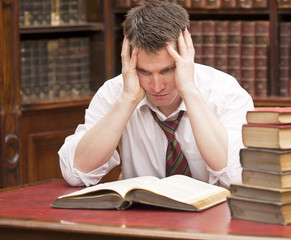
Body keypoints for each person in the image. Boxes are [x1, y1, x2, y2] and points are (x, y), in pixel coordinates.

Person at [58, 0, 254, 189]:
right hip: (142, 216)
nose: (157, 86)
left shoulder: (225, 91)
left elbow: (237, 177)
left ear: (187, 54)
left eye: (167, 70)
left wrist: (189, 91)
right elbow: (76, 174)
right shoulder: (116, 92)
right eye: (144, 72)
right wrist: (127, 100)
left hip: (213, 218)